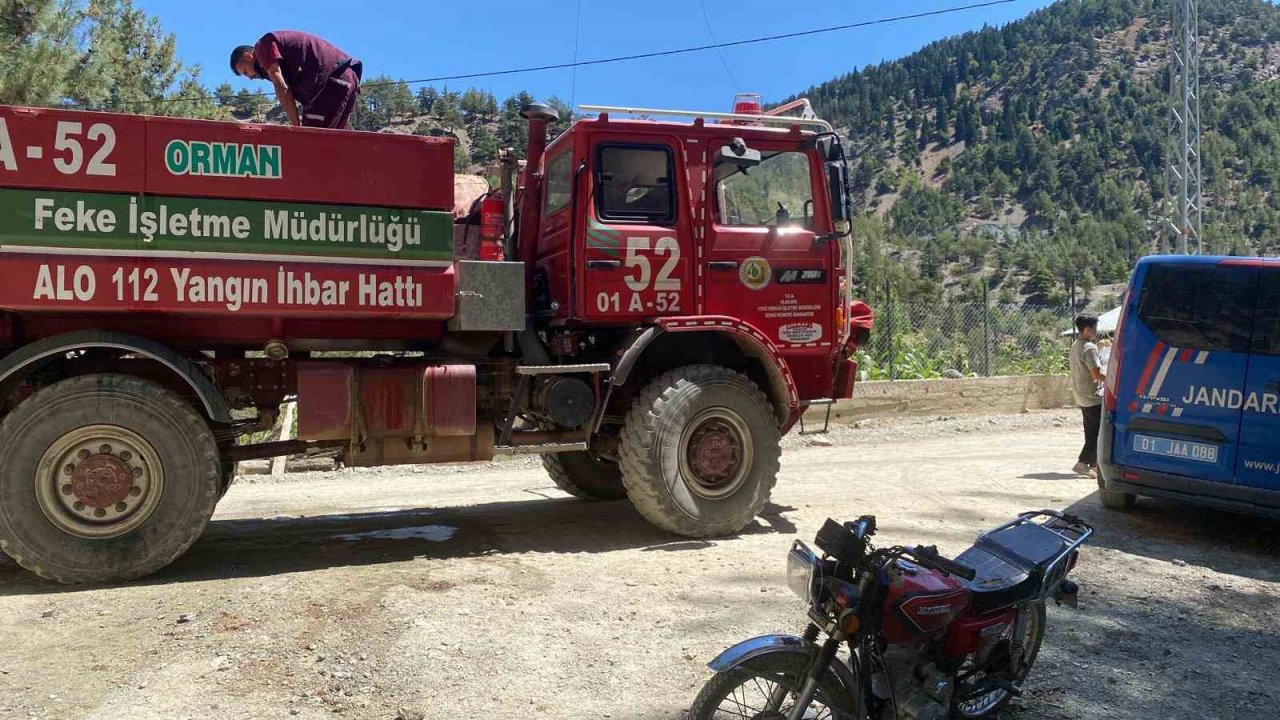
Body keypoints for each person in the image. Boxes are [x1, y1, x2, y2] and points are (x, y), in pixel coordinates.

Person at [230, 31, 362, 130]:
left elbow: (282, 87)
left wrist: (297, 128)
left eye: (246, 72)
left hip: (330, 80)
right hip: (348, 76)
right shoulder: (273, 61)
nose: (250, 78)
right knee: (335, 141)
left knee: (309, 141)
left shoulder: (262, 46)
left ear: (248, 57)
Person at [1069, 314, 1106, 477]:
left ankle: (1094, 465)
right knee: (1097, 433)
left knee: (1091, 430)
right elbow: (1097, 375)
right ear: (1088, 330)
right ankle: (1082, 463)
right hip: (1093, 396)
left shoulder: (1075, 345)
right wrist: (1114, 381)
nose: (1096, 331)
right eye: (1094, 328)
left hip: (1081, 395)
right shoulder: (1089, 348)